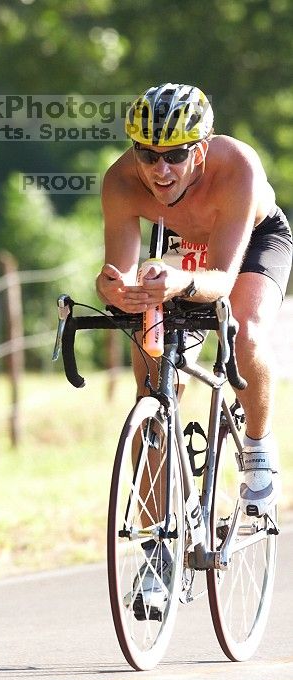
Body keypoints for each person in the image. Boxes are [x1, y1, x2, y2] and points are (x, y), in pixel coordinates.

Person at [96, 83, 292, 611]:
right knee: (153, 380)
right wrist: (116, 288)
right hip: (179, 247)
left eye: (176, 156)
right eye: (148, 155)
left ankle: (257, 452)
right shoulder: (120, 181)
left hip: (248, 244)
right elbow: (119, 269)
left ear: (199, 151)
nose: (160, 170)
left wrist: (178, 283)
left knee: (246, 330)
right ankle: (160, 549)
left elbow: (223, 280)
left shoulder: (238, 168)